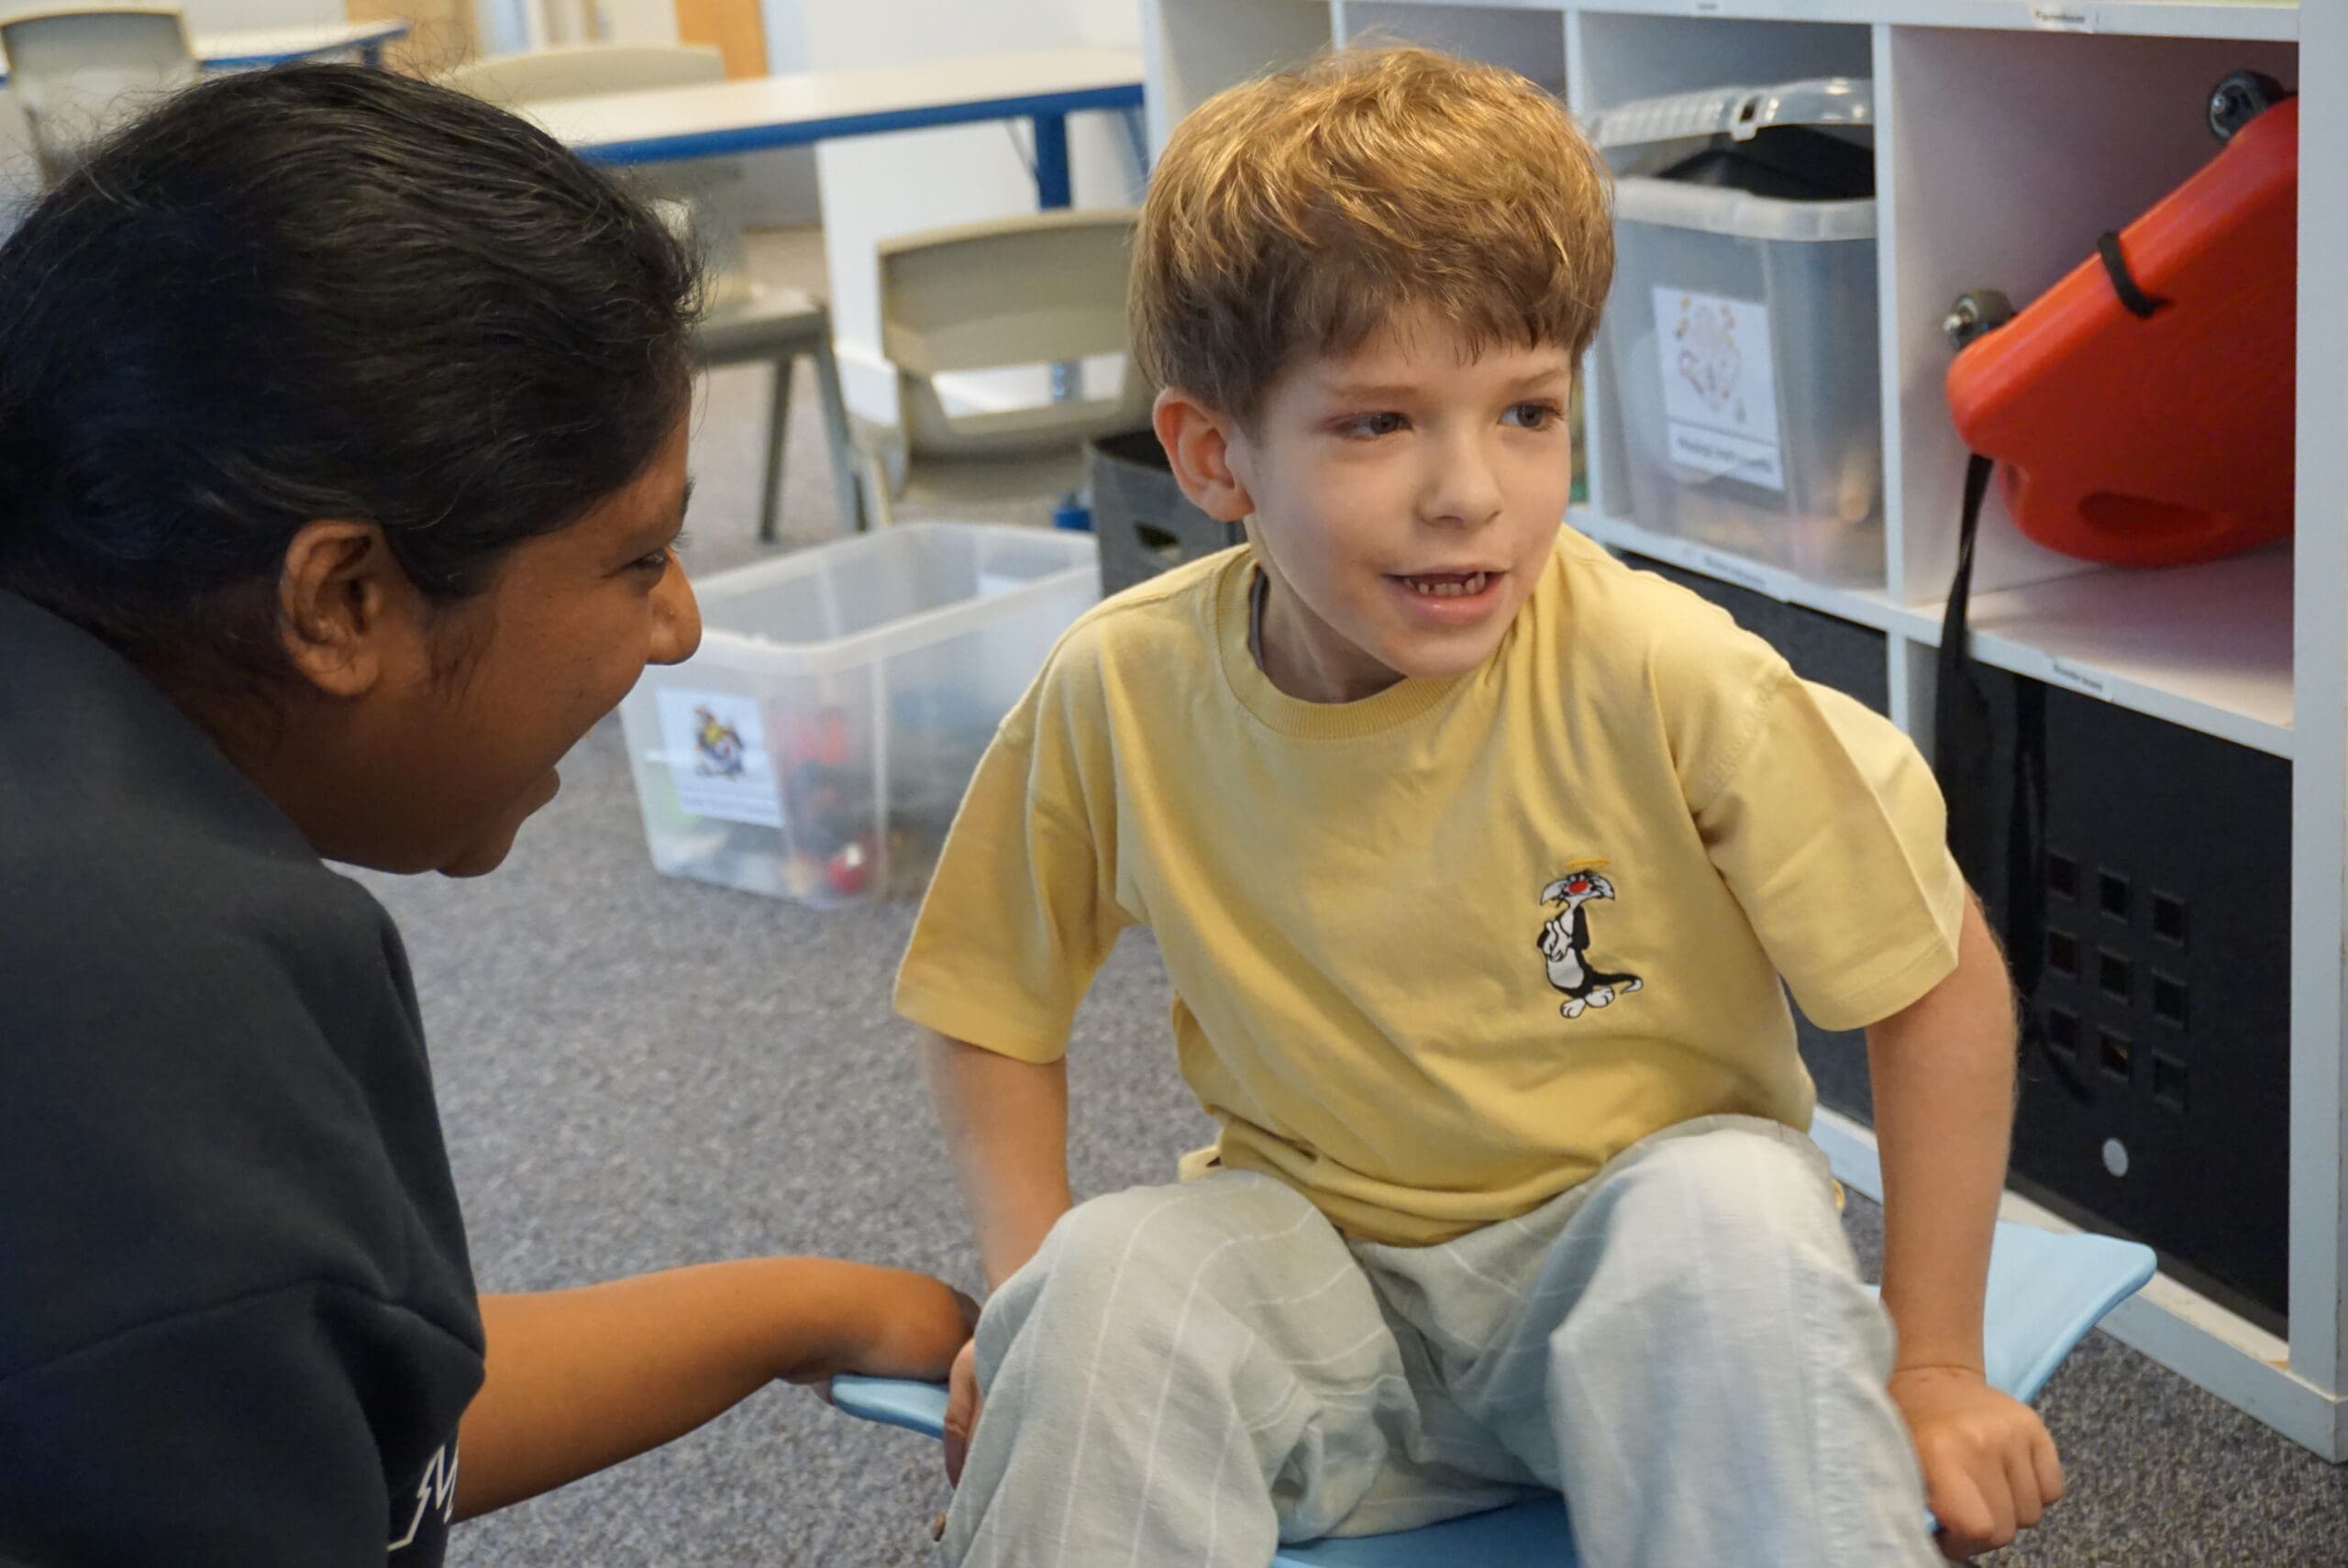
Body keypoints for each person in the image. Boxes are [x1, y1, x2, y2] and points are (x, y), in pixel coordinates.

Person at [899, 45, 2062, 1568]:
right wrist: (1027, 1292)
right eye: (1378, 424)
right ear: (1211, 454)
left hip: (1635, 1275)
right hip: (1320, 1278)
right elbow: (989, 990)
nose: (1473, 492)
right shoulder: (1117, 687)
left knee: (1727, 1209)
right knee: (1102, 1278)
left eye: (1526, 410)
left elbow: (1937, 979)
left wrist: (1933, 1362)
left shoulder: (1666, 668)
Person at [0, 65, 971, 1566]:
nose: (683, 625)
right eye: (638, 557)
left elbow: (350, 1425)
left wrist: (808, 1307)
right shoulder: (155, 1029)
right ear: (342, 600)